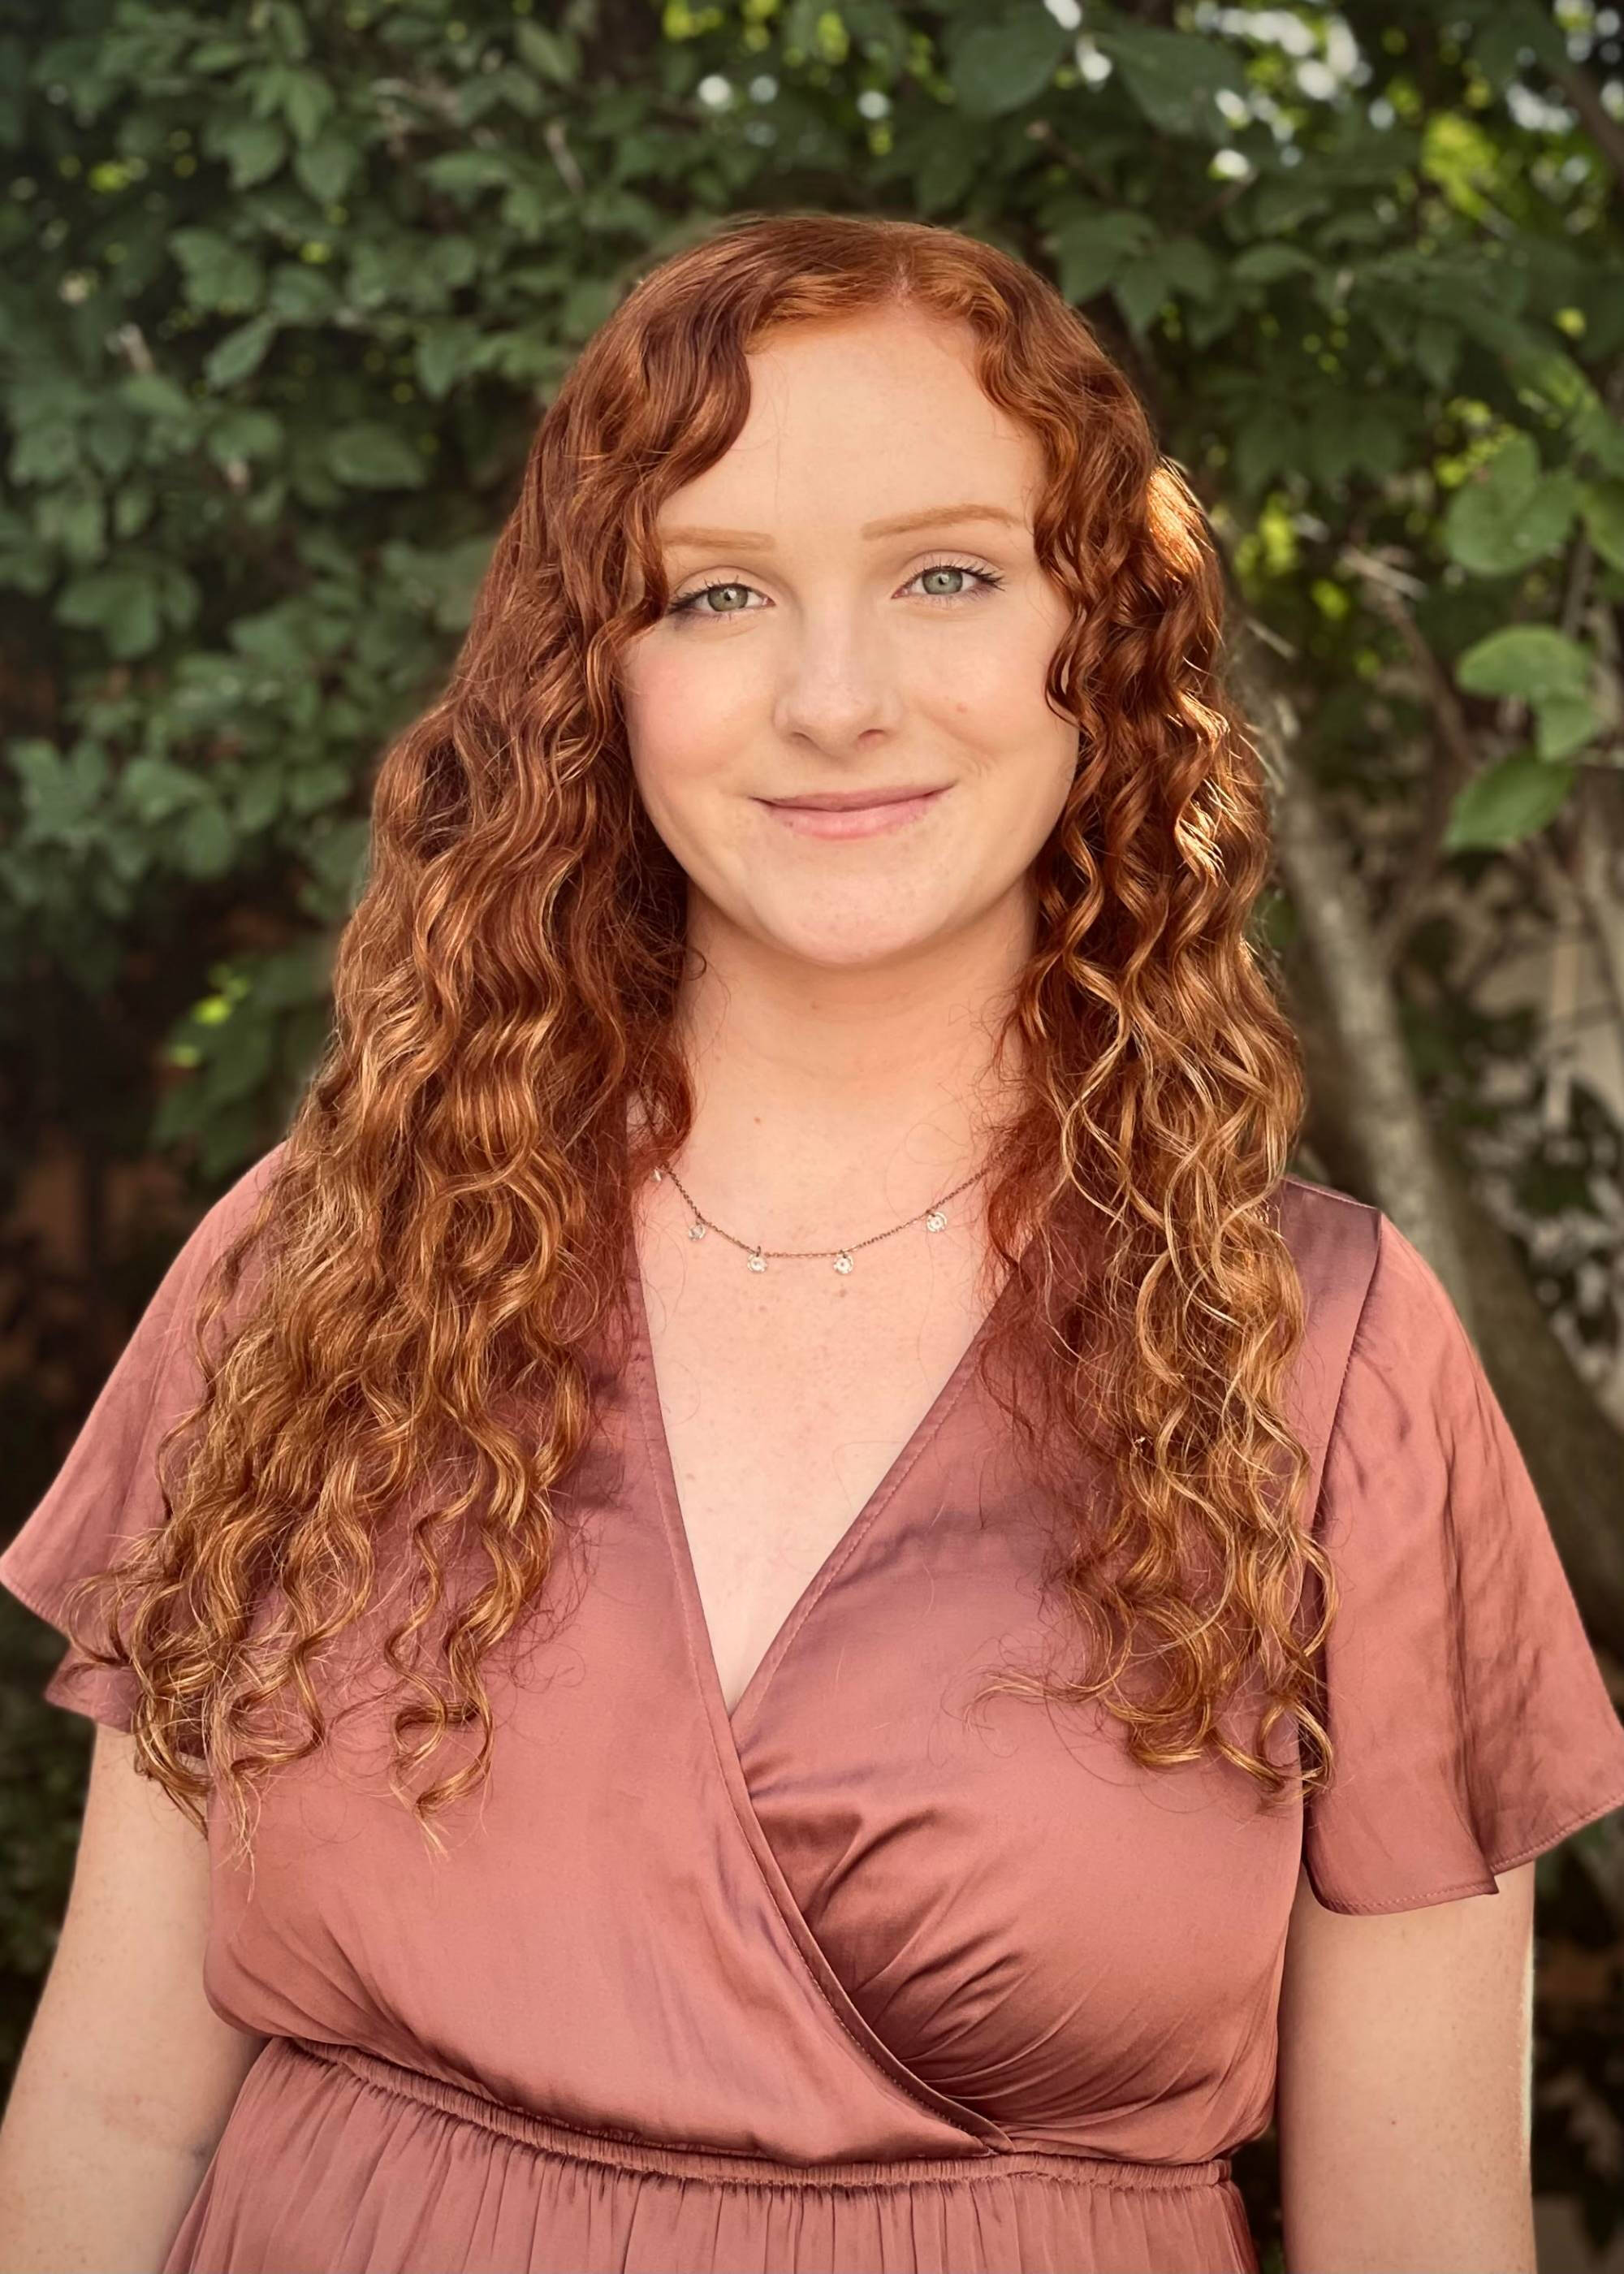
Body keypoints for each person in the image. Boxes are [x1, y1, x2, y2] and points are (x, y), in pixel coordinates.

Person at [2, 211, 1622, 2274]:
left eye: (945, 573)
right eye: (720, 591)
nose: (835, 697)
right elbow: (123, 2107)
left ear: (1094, 640)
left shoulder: (1327, 1361)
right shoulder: (318, 1271)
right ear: (601, 674)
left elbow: (1417, 2243)